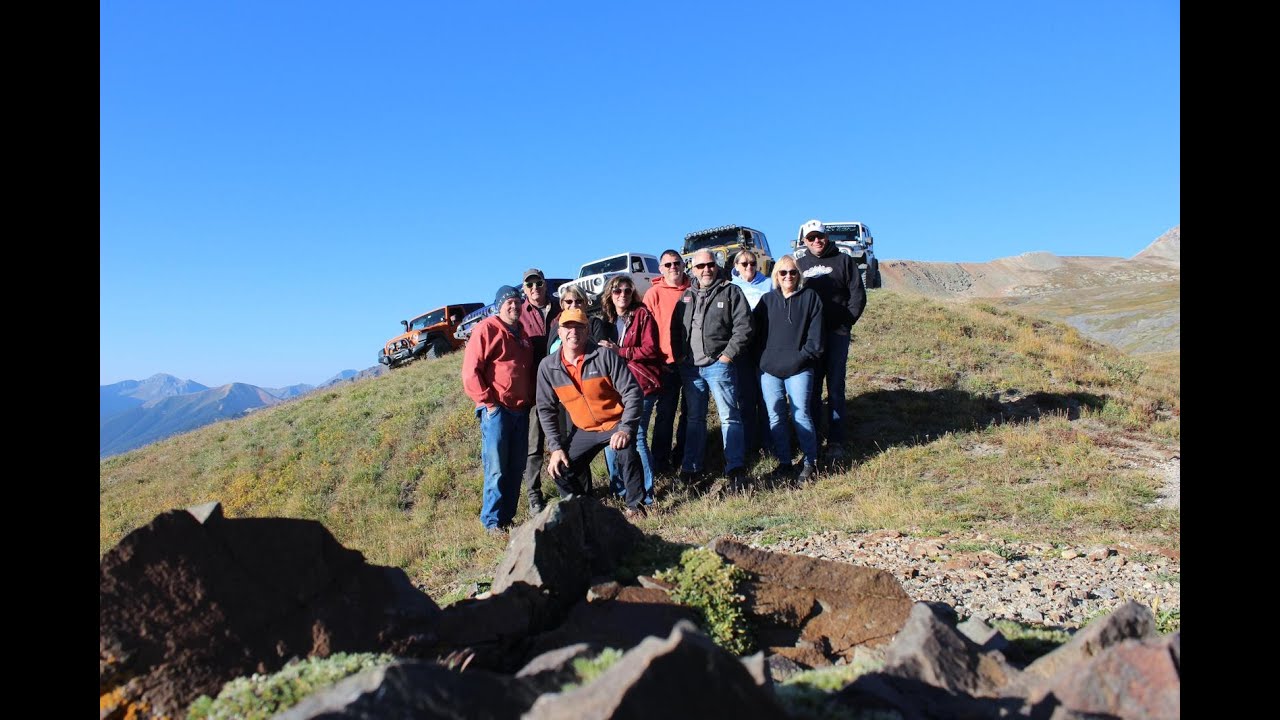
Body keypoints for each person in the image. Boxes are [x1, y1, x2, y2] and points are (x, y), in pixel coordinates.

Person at [536, 307, 648, 518]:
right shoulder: (547, 367)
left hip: (615, 422)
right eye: (568, 327)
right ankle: (582, 511)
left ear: (587, 331)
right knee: (560, 467)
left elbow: (633, 392)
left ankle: (636, 507)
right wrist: (555, 447)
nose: (573, 332)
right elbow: (545, 409)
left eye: (579, 326)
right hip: (584, 429)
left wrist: (625, 429)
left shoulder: (604, 356)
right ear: (559, 332)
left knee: (627, 453)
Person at [671, 249, 753, 485]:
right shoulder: (686, 296)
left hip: (719, 365)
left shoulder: (730, 291)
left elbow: (744, 326)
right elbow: (675, 329)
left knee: (729, 417)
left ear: (716, 266)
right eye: (700, 266)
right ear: (693, 270)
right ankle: (691, 468)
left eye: (710, 265)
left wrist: (727, 356)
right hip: (691, 368)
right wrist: (679, 356)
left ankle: (735, 467)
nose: (706, 269)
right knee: (695, 418)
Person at [461, 285, 535, 534]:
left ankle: (506, 518)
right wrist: (488, 403)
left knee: (516, 467)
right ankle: (491, 522)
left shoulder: (522, 333)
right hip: (498, 411)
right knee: (496, 467)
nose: (514, 306)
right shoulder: (487, 329)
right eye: (508, 303)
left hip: (520, 410)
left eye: (517, 302)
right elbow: (471, 371)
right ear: (498, 306)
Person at [795, 220, 866, 448]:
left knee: (835, 387)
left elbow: (857, 295)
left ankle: (836, 440)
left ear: (828, 237)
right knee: (812, 388)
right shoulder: (799, 264)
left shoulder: (843, 260)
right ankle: (814, 438)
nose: (817, 241)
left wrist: (846, 323)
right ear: (804, 241)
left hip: (836, 335)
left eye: (820, 236)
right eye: (811, 237)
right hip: (810, 338)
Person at [753, 255, 825, 483]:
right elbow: (754, 335)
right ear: (776, 276)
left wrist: (802, 358)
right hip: (769, 371)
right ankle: (784, 462)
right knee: (775, 417)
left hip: (800, 368)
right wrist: (762, 361)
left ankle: (810, 462)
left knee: (800, 414)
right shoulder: (766, 301)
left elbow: (816, 339)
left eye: (793, 272)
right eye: (783, 273)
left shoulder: (811, 298)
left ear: (799, 274)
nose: (788, 276)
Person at [599, 275, 664, 505]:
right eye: (617, 291)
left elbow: (650, 349)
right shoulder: (606, 321)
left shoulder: (642, 315)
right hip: (615, 389)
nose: (623, 295)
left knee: (636, 438)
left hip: (641, 384)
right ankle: (621, 491)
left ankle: (646, 494)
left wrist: (620, 351)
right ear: (610, 294)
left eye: (627, 290)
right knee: (611, 439)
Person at [642, 249, 692, 476]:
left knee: (691, 412)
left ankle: (682, 455)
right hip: (666, 364)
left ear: (683, 265)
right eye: (668, 265)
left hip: (693, 362)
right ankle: (660, 462)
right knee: (665, 413)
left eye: (676, 263)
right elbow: (646, 330)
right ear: (661, 269)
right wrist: (655, 360)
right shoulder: (653, 294)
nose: (673, 268)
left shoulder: (694, 289)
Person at [518, 268, 561, 515]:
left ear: (546, 285)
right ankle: (534, 496)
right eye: (529, 284)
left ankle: (569, 488)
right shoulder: (518, 313)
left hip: (563, 387)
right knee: (534, 447)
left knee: (566, 440)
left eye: (538, 283)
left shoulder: (560, 308)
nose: (535, 288)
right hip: (535, 392)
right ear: (524, 289)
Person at [729, 249, 771, 457]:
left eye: (752, 263)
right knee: (745, 397)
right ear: (736, 266)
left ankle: (768, 442)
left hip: (765, 346)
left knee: (766, 396)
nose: (749, 267)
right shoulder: (730, 287)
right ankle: (748, 444)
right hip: (742, 349)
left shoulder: (769, 284)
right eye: (744, 264)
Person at [548, 285, 609, 353]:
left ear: (585, 303)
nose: (574, 305)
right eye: (569, 301)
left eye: (578, 301)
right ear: (562, 304)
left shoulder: (594, 324)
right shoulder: (556, 324)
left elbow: (601, 352)